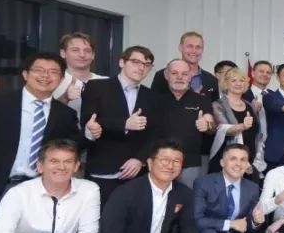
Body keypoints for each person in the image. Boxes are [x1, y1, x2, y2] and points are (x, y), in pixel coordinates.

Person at [0, 52, 84, 229]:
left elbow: (72, 147)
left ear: (61, 79)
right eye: (39, 70)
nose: (45, 76)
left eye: (53, 72)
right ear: (25, 74)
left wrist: (90, 133)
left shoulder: (65, 114)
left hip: (36, 192)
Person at [81, 45, 161, 205]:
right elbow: (90, 121)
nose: (141, 68)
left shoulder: (152, 96)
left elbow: (156, 133)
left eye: (147, 65)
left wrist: (140, 159)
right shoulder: (97, 86)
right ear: (122, 62)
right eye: (136, 62)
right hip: (103, 168)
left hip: (137, 173)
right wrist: (124, 123)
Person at [154, 59, 216, 188]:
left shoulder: (202, 100)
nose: (179, 77)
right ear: (166, 75)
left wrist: (207, 125)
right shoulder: (154, 99)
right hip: (160, 161)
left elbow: (212, 126)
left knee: (188, 198)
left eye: (184, 74)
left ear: (190, 76)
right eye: (174, 73)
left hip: (190, 163)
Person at [209, 66, 262, 178]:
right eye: (233, 80)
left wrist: (257, 160)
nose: (238, 83)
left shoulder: (249, 105)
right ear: (226, 83)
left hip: (249, 162)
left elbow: (257, 134)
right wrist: (243, 126)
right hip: (226, 163)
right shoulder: (217, 105)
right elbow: (224, 130)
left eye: (241, 80)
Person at [150, 31, 220, 102]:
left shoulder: (211, 80)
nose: (194, 51)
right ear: (180, 47)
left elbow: (215, 107)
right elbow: (153, 103)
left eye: (198, 47)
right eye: (190, 46)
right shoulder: (162, 75)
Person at [54, 32, 106, 122]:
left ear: (93, 55)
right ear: (63, 53)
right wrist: (65, 98)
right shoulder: (52, 81)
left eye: (87, 51)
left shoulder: (106, 82)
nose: (82, 55)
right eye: (75, 50)